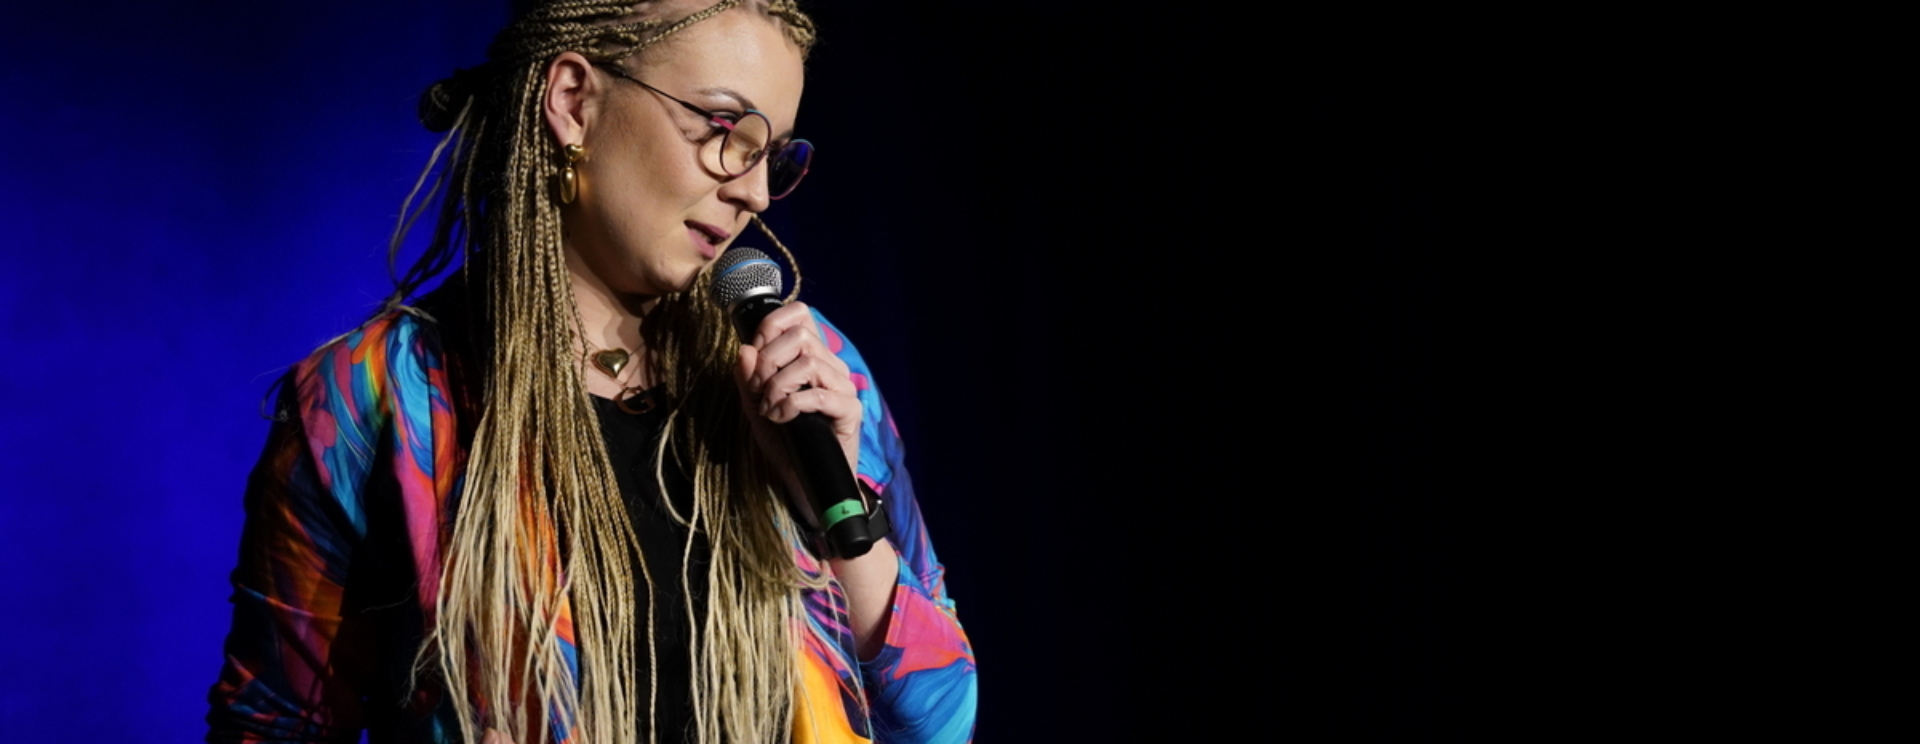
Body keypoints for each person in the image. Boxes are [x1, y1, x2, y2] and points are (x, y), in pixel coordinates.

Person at [204, 2, 976, 742]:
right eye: (723, 129)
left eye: (772, 156)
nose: (755, 191)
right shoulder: (379, 396)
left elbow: (942, 723)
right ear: (574, 102)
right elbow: (275, 727)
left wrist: (833, 516)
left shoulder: (806, 372)